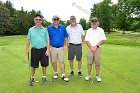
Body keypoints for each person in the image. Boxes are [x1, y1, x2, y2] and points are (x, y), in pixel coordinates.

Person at [26, 14, 50, 85]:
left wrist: (48, 49)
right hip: (34, 50)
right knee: (33, 65)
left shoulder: (45, 30)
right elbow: (28, 40)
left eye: (39, 19)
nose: (38, 21)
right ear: (34, 20)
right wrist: (27, 49)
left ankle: (44, 77)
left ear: (41, 21)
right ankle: (32, 77)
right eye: (37, 19)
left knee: (44, 64)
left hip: (43, 49)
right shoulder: (31, 30)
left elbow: (48, 40)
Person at [47, 15, 69, 82]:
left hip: (61, 47)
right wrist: (48, 47)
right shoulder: (49, 28)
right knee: (53, 61)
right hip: (52, 47)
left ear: (59, 20)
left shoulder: (62, 27)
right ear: (52, 20)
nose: (56, 20)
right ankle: (56, 72)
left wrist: (66, 45)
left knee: (61, 61)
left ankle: (63, 74)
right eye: (54, 19)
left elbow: (65, 37)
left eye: (57, 19)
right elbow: (47, 38)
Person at [85, 17, 106, 82]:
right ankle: (88, 75)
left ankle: (97, 76)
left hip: (98, 48)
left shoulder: (101, 30)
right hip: (90, 48)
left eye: (95, 22)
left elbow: (103, 39)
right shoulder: (89, 30)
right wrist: (91, 47)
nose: (94, 23)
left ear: (97, 23)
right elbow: (86, 40)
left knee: (97, 63)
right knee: (89, 63)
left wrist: (96, 47)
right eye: (93, 22)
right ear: (91, 23)